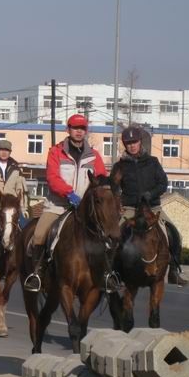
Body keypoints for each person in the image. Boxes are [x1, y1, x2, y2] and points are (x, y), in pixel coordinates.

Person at [23, 114, 112, 292]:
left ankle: (108, 274)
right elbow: (52, 177)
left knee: (108, 236)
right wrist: (69, 193)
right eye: (75, 128)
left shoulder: (94, 156)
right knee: (39, 235)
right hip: (58, 205)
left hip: (86, 209)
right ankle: (37, 273)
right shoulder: (56, 152)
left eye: (82, 129)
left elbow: (101, 179)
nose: (79, 132)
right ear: (68, 130)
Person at [112, 126, 189, 286]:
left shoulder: (153, 162)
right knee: (114, 237)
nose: (132, 145)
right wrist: (117, 199)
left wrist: (150, 194)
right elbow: (113, 187)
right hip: (130, 209)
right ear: (124, 145)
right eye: (128, 143)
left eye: (135, 142)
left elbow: (163, 183)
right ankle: (115, 274)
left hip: (153, 209)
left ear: (140, 142)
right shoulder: (119, 166)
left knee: (175, 234)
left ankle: (174, 272)